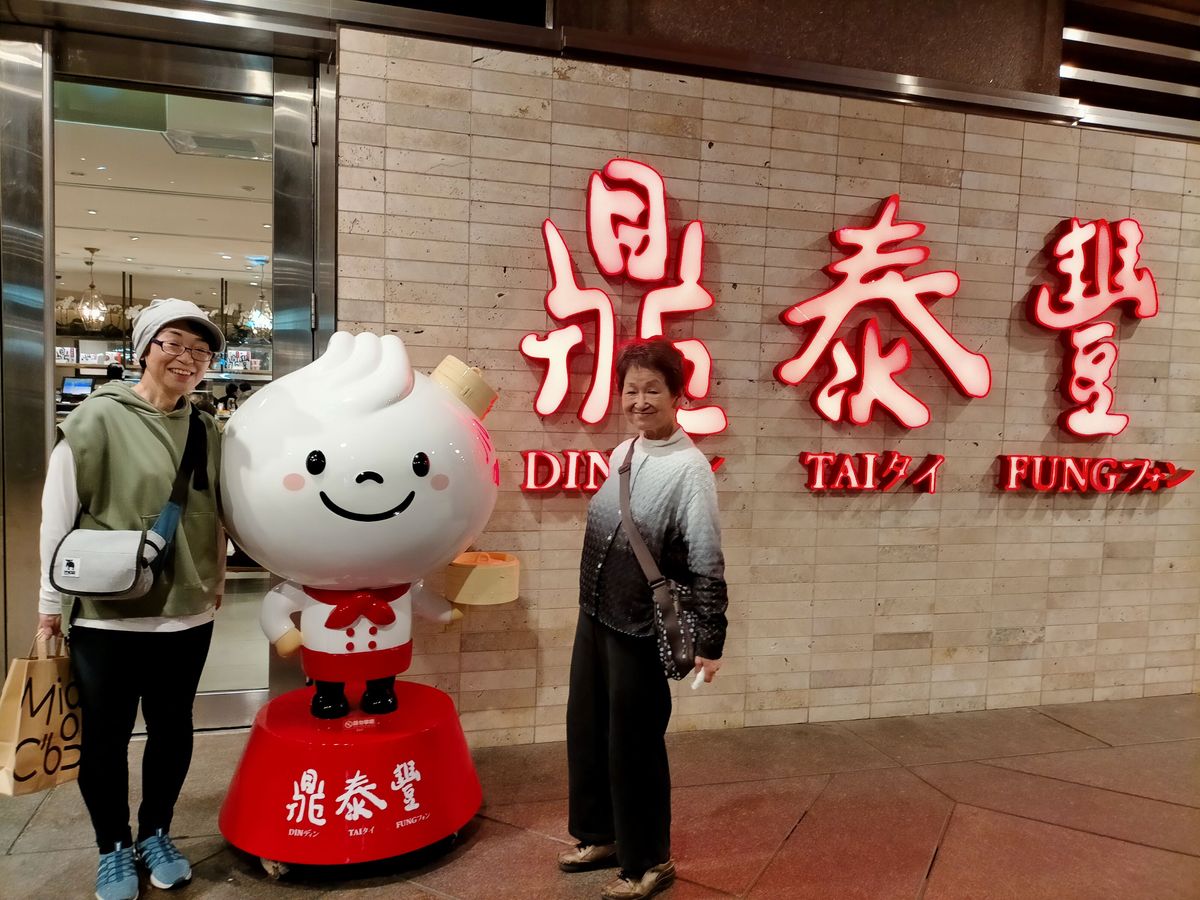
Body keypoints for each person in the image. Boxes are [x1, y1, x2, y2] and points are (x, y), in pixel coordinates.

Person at [37, 298, 225, 900]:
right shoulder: (97, 417)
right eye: (174, 344)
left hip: (187, 613)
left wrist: (219, 576)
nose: (187, 359)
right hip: (106, 615)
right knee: (105, 736)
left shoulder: (206, 429)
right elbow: (57, 517)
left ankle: (156, 833)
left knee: (172, 730)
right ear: (145, 349)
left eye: (200, 350)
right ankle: (113, 846)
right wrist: (49, 607)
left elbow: (220, 510)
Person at [560, 338, 729, 900]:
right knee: (588, 729)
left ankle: (649, 860)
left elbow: (706, 558)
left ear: (678, 395)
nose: (639, 401)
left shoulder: (691, 470)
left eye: (652, 389)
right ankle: (600, 835)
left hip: (639, 625)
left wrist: (710, 640)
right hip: (596, 614)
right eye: (630, 390)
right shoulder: (624, 453)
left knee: (634, 743)